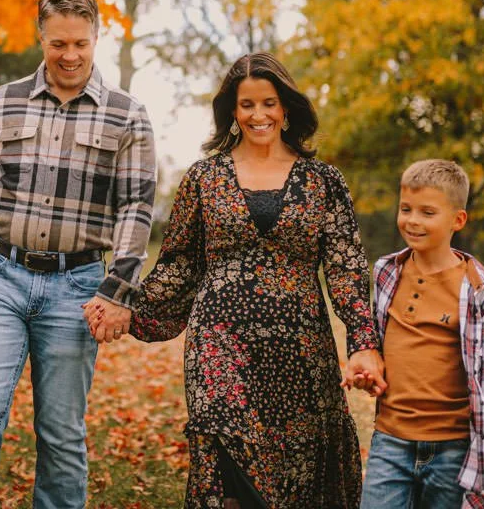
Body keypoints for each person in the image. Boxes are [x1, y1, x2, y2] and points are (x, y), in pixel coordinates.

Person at [0, 0, 157, 509]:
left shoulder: (127, 114)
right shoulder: (1, 104)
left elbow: (136, 210)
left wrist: (118, 291)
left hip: (78, 288)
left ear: (96, 37)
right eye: (58, 44)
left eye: (80, 43)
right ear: (41, 39)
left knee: (61, 432)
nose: (69, 55)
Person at [128, 51, 385, 509]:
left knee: (299, 475)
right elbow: (179, 263)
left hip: (301, 350)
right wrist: (125, 302)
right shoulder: (204, 177)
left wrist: (363, 341)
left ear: (286, 108)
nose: (258, 114)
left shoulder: (324, 181)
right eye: (247, 104)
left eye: (268, 103)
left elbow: (346, 268)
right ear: (232, 111)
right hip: (219, 343)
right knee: (225, 454)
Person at [349, 159, 484, 509]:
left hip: (451, 449)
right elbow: (381, 347)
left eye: (427, 212)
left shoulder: (478, 291)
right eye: (406, 208)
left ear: (457, 220)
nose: (412, 220)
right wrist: (369, 373)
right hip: (390, 440)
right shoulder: (386, 272)